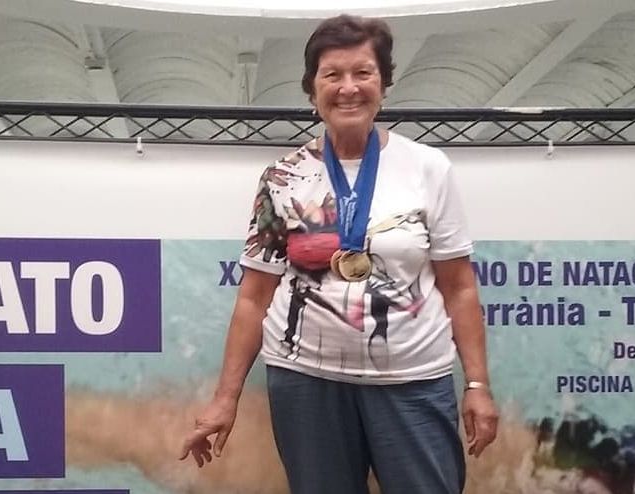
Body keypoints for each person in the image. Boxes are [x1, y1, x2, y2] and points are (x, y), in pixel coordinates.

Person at [179, 14, 499, 494]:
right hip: (306, 381)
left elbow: (459, 288)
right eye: (332, 74)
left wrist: (477, 385)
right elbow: (253, 297)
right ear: (312, 90)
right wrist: (225, 398)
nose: (348, 87)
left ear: (383, 85)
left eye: (363, 72)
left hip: (411, 379)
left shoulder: (428, 168)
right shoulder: (282, 176)